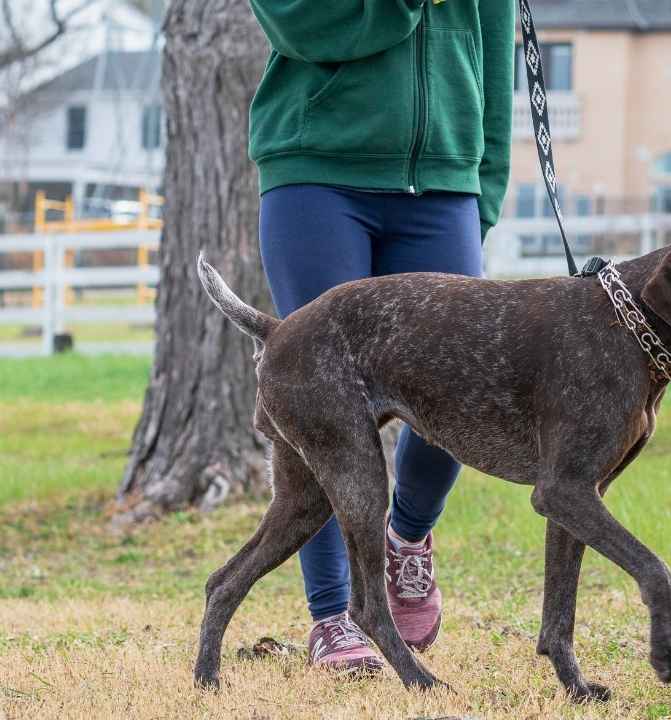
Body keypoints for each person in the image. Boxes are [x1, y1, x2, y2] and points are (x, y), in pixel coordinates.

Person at [245, 0, 514, 674]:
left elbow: (495, 49)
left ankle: (408, 534)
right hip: (316, 174)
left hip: (444, 182)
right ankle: (334, 616)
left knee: (460, 393)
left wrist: (484, 187)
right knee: (324, 404)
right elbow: (298, 24)